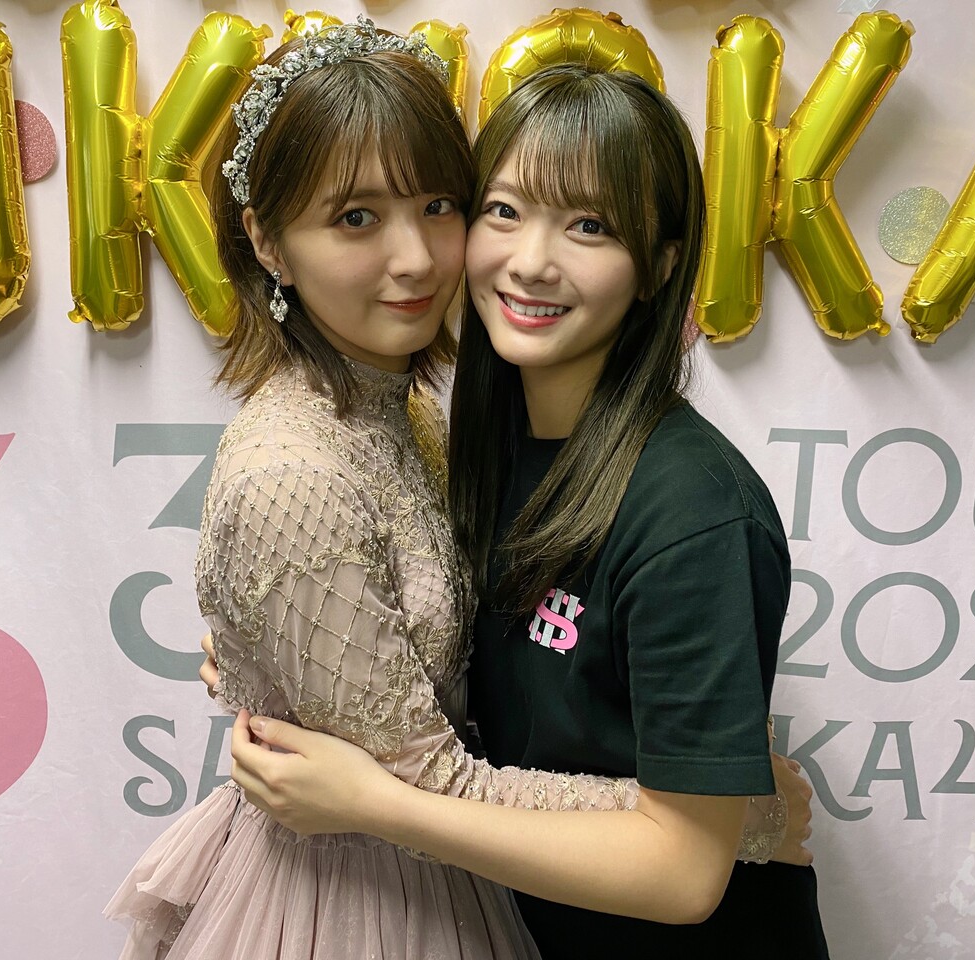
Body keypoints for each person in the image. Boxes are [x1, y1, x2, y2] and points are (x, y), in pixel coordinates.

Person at [107, 20, 806, 960]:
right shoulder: (420, 442)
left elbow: (680, 873)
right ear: (266, 241)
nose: (419, 257)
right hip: (390, 906)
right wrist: (270, 655)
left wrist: (722, 822)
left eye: (438, 205)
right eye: (504, 210)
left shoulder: (683, 506)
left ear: (663, 263)